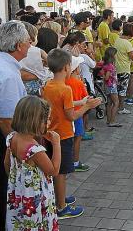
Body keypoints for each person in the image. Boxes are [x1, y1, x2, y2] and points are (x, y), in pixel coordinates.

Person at [42, 48, 101, 219]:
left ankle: (58, 198)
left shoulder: (49, 85)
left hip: (50, 134)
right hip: (64, 135)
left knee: (57, 169)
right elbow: (72, 115)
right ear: (67, 67)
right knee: (61, 172)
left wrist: (80, 101)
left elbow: (60, 105)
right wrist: (87, 106)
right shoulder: (65, 88)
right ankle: (61, 207)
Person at [0, 21, 30, 231]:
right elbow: (6, 121)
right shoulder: (8, 74)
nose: (30, 45)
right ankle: (4, 224)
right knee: (4, 185)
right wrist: (19, 151)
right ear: (19, 45)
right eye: (29, 41)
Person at [5, 96, 60, 231]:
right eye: (46, 120)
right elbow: (53, 170)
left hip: (20, 194)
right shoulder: (35, 150)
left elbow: (7, 165)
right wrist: (57, 143)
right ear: (35, 121)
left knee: (21, 224)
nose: (48, 123)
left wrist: (18, 181)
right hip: (35, 199)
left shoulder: (12, 137)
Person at [65, 56, 91, 172]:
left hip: (66, 113)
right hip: (78, 112)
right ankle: (75, 161)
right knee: (78, 138)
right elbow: (85, 97)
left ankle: (67, 160)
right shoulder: (79, 83)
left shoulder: (64, 82)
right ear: (76, 69)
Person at [114, 22, 133, 114]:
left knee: (117, 89)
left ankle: (116, 106)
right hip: (124, 69)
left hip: (117, 68)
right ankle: (121, 108)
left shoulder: (117, 40)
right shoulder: (127, 43)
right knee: (123, 89)